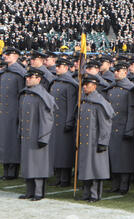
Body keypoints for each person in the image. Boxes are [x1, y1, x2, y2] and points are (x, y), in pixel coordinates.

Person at [18, 67, 57, 201]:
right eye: (27, 77)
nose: (27, 79)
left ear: (38, 79)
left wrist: (43, 137)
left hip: (38, 136)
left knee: (38, 165)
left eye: (31, 77)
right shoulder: (25, 94)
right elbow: (21, 117)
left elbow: (47, 120)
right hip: (27, 135)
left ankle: (39, 192)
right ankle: (29, 191)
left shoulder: (43, 96)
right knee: (28, 164)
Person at [77, 75, 114, 203]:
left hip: (95, 142)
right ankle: (86, 192)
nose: (85, 87)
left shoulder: (100, 103)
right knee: (86, 168)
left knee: (95, 169)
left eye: (87, 85)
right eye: (84, 85)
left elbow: (105, 125)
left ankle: (95, 194)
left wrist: (103, 141)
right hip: (85, 142)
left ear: (94, 86)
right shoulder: (84, 101)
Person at [105, 61, 134, 195]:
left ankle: (124, 184)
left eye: (119, 71)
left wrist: (130, 129)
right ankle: (115, 183)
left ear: (125, 72)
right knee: (114, 157)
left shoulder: (130, 89)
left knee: (124, 158)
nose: (116, 73)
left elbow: (132, 111)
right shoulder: (111, 88)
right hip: (112, 127)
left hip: (124, 127)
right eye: (115, 71)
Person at [48, 58, 79, 187]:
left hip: (64, 122)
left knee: (64, 152)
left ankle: (65, 179)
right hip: (54, 121)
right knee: (56, 151)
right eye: (57, 66)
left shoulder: (70, 84)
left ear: (66, 68)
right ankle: (59, 177)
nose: (57, 68)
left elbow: (72, 105)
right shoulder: (55, 82)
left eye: (60, 67)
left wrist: (69, 121)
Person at [0, 47, 26, 180]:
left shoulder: (20, 73)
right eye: (4, 54)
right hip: (3, 113)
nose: (5, 56)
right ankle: (5, 170)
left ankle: (13, 171)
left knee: (12, 142)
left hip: (13, 112)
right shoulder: (4, 73)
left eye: (8, 54)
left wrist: (20, 113)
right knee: (4, 141)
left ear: (16, 56)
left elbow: (22, 95)